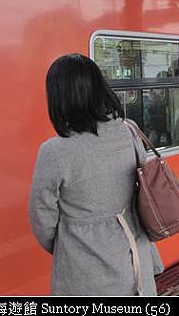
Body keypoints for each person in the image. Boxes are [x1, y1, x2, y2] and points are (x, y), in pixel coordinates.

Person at [28, 53, 164, 295]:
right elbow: (143, 186)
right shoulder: (129, 131)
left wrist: (69, 242)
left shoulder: (55, 151)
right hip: (137, 257)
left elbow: (42, 218)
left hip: (87, 270)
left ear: (58, 99)